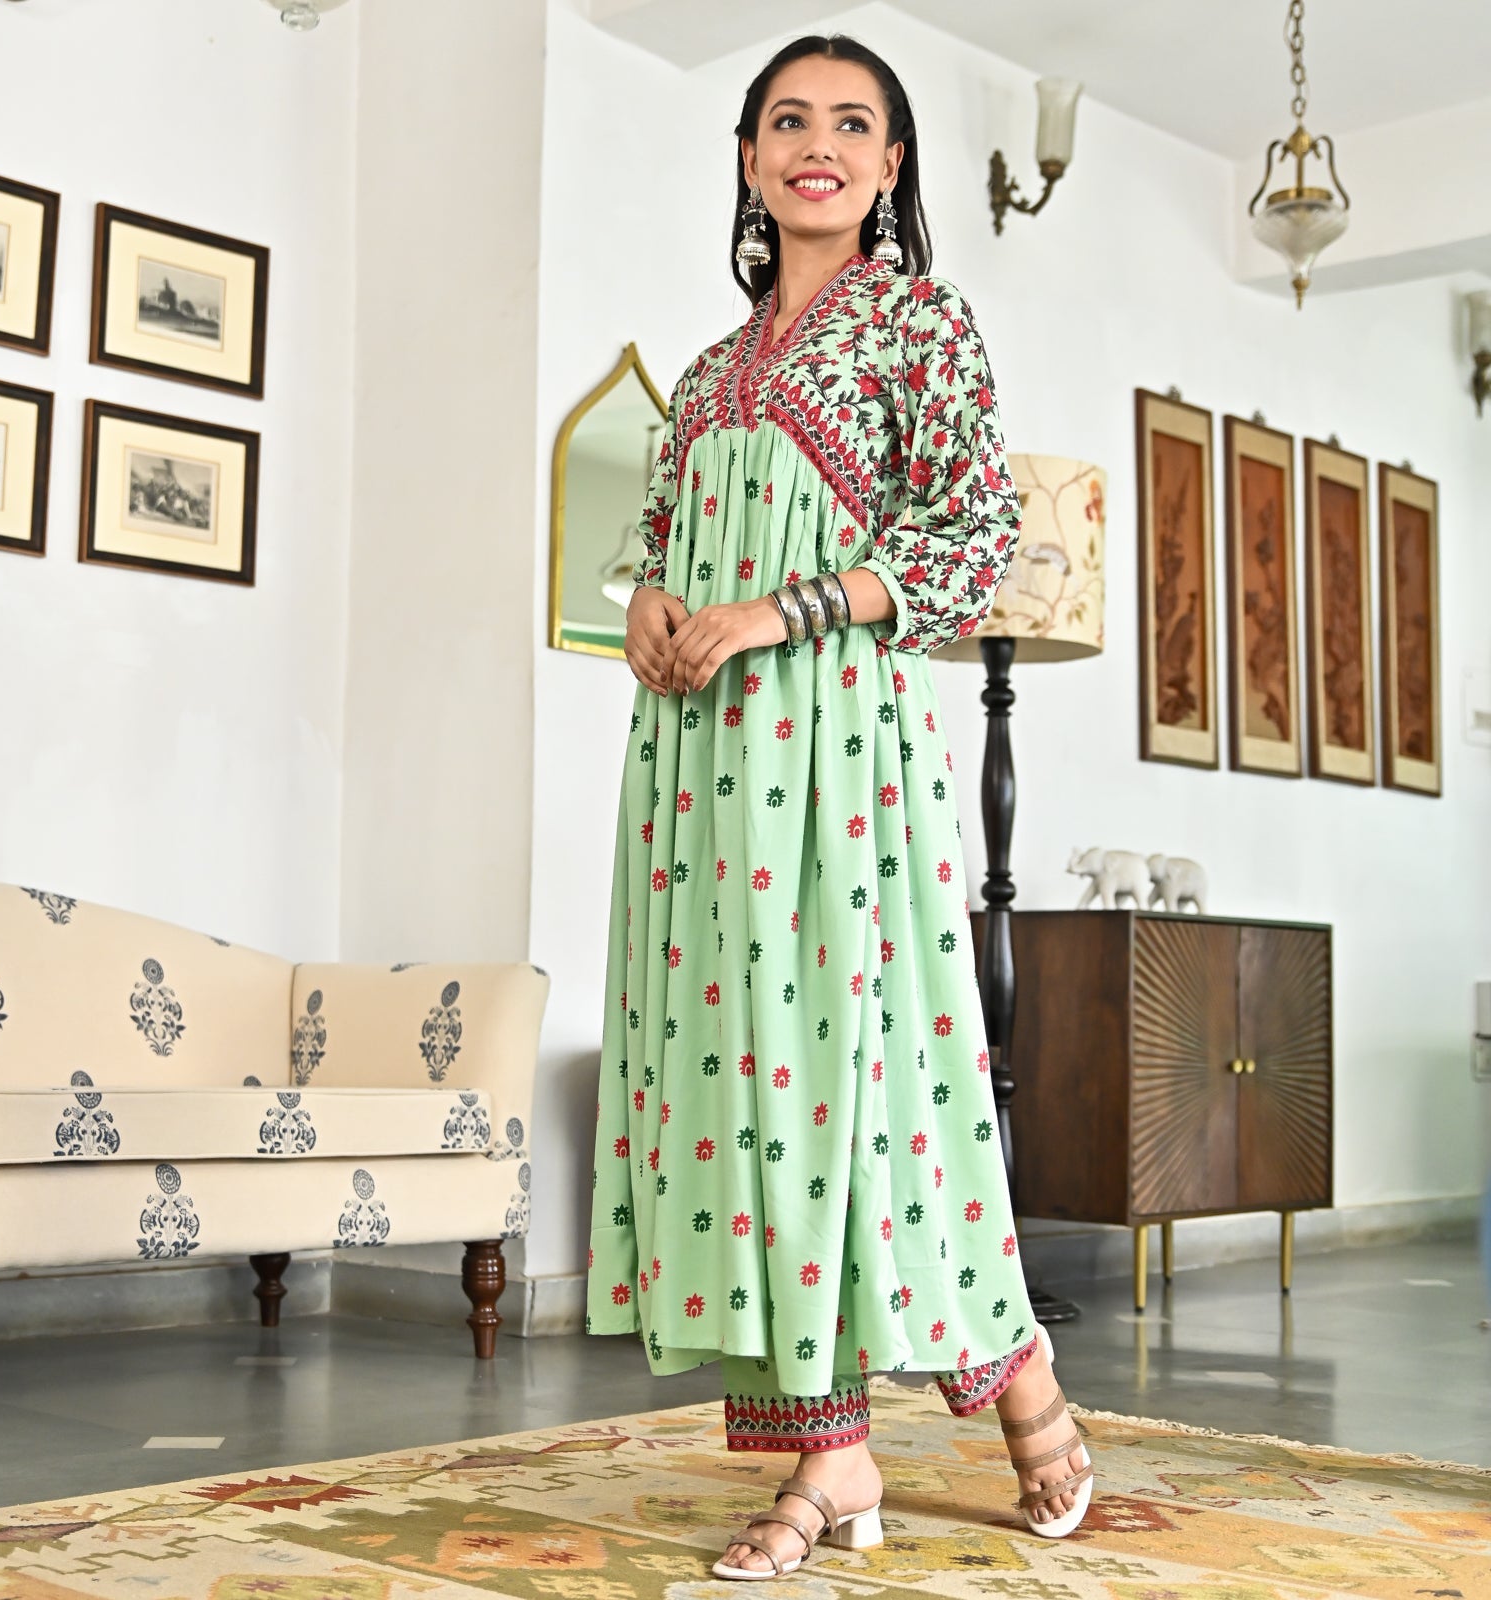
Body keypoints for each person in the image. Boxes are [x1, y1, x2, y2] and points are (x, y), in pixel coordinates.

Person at [584, 33, 1094, 1579]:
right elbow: (657, 540)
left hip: (835, 749)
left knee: (868, 1080)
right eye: (789, 120)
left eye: (852, 123)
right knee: (742, 1085)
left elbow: (968, 534)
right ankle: (835, 1455)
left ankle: (1021, 1384)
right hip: (700, 764)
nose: (819, 143)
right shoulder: (704, 374)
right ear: (749, 158)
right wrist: (652, 603)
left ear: (889, 166)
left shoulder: (920, 323)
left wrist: (779, 612)